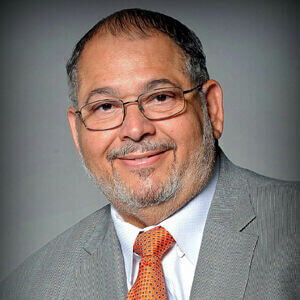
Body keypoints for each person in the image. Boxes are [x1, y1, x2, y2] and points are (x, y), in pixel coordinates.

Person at [0, 8, 298, 300]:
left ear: (211, 108)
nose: (135, 129)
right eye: (105, 107)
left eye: (160, 97)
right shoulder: (30, 287)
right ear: (77, 132)